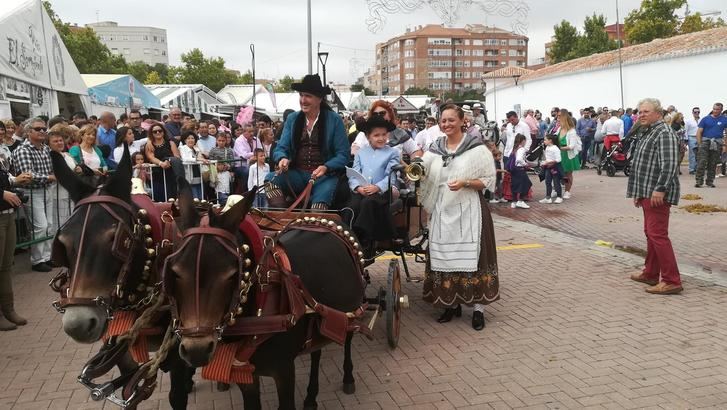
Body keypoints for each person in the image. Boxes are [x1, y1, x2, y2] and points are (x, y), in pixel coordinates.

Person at [419, 104, 498, 331]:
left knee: (476, 257)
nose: (446, 125)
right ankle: (450, 303)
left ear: (463, 120)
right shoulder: (435, 148)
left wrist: (465, 182)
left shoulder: (476, 149)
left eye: (451, 120)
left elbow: (487, 181)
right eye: (443, 121)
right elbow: (422, 172)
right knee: (444, 255)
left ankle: (478, 309)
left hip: (469, 207)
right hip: (443, 207)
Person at [267, 74, 349, 210]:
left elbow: (343, 155)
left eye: (308, 96)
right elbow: (281, 147)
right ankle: (281, 223)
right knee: (270, 181)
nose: (303, 100)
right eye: (301, 95)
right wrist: (282, 158)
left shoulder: (334, 120)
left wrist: (326, 167)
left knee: (318, 208)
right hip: (297, 174)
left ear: (319, 99)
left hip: (324, 177)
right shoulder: (293, 119)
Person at [627, 98, 682, 295]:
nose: (641, 115)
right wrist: (638, 193)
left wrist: (660, 189)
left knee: (658, 235)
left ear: (658, 113)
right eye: (640, 111)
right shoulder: (649, 131)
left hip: (657, 192)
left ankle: (671, 280)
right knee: (651, 234)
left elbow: (669, 164)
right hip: (646, 191)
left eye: (646, 111)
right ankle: (650, 273)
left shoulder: (664, 132)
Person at [346, 116, 400, 256]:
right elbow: (353, 173)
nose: (381, 138)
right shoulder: (361, 153)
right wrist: (358, 187)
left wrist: (377, 187)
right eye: (376, 135)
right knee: (352, 206)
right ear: (368, 137)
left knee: (369, 203)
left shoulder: (392, 153)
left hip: (382, 192)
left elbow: (391, 176)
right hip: (362, 190)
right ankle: (348, 237)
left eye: (384, 135)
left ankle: (365, 239)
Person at [12, 118, 55, 272]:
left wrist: (50, 177)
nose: (43, 131)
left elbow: (51, 169)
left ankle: (47, 256)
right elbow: (28, 175)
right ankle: (37, 260)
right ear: (28, 132)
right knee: (40, 226)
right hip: (32, 191)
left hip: (47, 190)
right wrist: (49, 177)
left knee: (49, 224)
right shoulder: (23, 150)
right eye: (38, 129)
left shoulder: (45, 148)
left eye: (44, 129)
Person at [0, 134, 31, 330]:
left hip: (7, 213)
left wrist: (13, 183)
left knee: (5, 266)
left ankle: (8, 309)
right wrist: (2, 193)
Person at [351, 100, 423, 159]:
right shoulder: (364, 133)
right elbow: (355, 149)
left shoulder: (400, 133)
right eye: (375, 114)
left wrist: (414, 165)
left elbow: (416, 151)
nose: (379, 116)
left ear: (390, 114)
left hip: (396, 174)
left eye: (382, 113)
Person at [145, 123, 183, 201]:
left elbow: (177, 156)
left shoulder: (170, 143)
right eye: (155, 131)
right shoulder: (149, 145)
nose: (158, 132)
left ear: (163, 132)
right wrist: (161, 163)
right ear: (151, 134)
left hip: (171, 173)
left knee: (173, 197)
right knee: (160, 198)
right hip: (157, 175)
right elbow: (151, 157)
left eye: (160, 130)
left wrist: (168, 161)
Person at [695, 102, 727, 188]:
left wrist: (725, 145)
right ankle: (699, 181)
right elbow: (699, 132)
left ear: (721, 110)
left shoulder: (724, 119)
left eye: (717, 109)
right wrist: (699, 144)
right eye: (714, 109)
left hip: (717, 143)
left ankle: (710, 181)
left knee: (713, 163)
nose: (715, 111)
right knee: (702, 162)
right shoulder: (705, 119)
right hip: (705, 142)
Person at [558, 109, 581, 199]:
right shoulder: (559, 129)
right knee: (558, 173)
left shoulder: (572, 131)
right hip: (560, 154)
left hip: (568, 155)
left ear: (564, 117)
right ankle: (556, 189)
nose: (558, 118)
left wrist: (560, 148)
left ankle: (567, 191)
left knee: (568, 174)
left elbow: (571, 146)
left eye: (560, 116)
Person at [233, 124, 262, 193]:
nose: (252, 133)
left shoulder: (256, 139)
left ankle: (259, 192)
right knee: (247, 171)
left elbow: (261, 151)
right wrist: (255, 154)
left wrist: (255, 155)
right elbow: (244, 155)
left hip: (255, 163)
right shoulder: (239, 141)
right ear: (244, 132)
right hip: (241, 165)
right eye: (249, 132)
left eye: (252, 131)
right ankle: (246, 193)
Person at [508, 134, 533, 209]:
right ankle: (521, 200)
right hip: (520, 169)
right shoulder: (521, 149)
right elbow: (519, 159)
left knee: (515, 185)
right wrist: (525, 164)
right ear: (523, 141)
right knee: (527, 184)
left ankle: (514, 201)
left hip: (514, 170)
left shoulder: (514, 148)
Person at [209, 133, 235, 205]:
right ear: (216, 141)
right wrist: (216, 167)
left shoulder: (229, 150)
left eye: (223, 141)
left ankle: (226, 199)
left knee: (226, 187)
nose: (221, 142)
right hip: (216, 173)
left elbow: (232, 163)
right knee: (218, 188)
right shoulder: (213, 150)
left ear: (226, 141)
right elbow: (210, 162)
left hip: (226, 173)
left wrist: (227, 167)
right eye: (219, 140)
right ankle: (221, 199)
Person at [539, 134, 564, 204]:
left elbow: (558, 159)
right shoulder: (547, 148)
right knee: (547, 181)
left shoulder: (555, 148)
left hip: (555, 168)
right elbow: (548, 158)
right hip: (548, 167)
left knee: (556, 182)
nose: (544, 141)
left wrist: (549, 162)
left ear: (550, 140)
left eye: (545, 140)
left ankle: (559, 196)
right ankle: (548, 197)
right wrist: (545, 162)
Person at [179, 131, 205, 200]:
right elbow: (185, 159)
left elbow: (201, 158)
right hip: (190, 175)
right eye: (188, 138)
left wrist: (200, 156)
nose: (191, 140)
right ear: (185, 140)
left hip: (198, 173)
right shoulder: (182, 148)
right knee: (194, 197)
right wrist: (196, 159)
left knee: (200, 196)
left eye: (192, 138)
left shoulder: (196, 148)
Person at [685, 107, 701, 175]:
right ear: (692, 113)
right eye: (695, 112)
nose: (697, 113)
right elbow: (686, 130)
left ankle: (697, 168)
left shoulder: (702, 120)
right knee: (692, 154)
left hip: (700, 138)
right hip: (692, 137)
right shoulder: (688, 121)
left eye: (698, 112)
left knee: (699, 154)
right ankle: (691, 169)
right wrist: (686, 140)